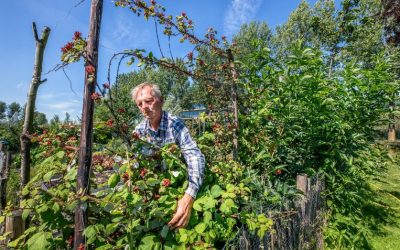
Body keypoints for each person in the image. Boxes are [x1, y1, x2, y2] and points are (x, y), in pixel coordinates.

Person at [131, 82, 205, 229]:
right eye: (139, 104)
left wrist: (189, 196)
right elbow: (136, 164)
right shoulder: (139, 132)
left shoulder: (175, 124)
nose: (144, 107)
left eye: (148, 101)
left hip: (179, 186)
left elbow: (194, 155)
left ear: (161, 100)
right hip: (154, 192)